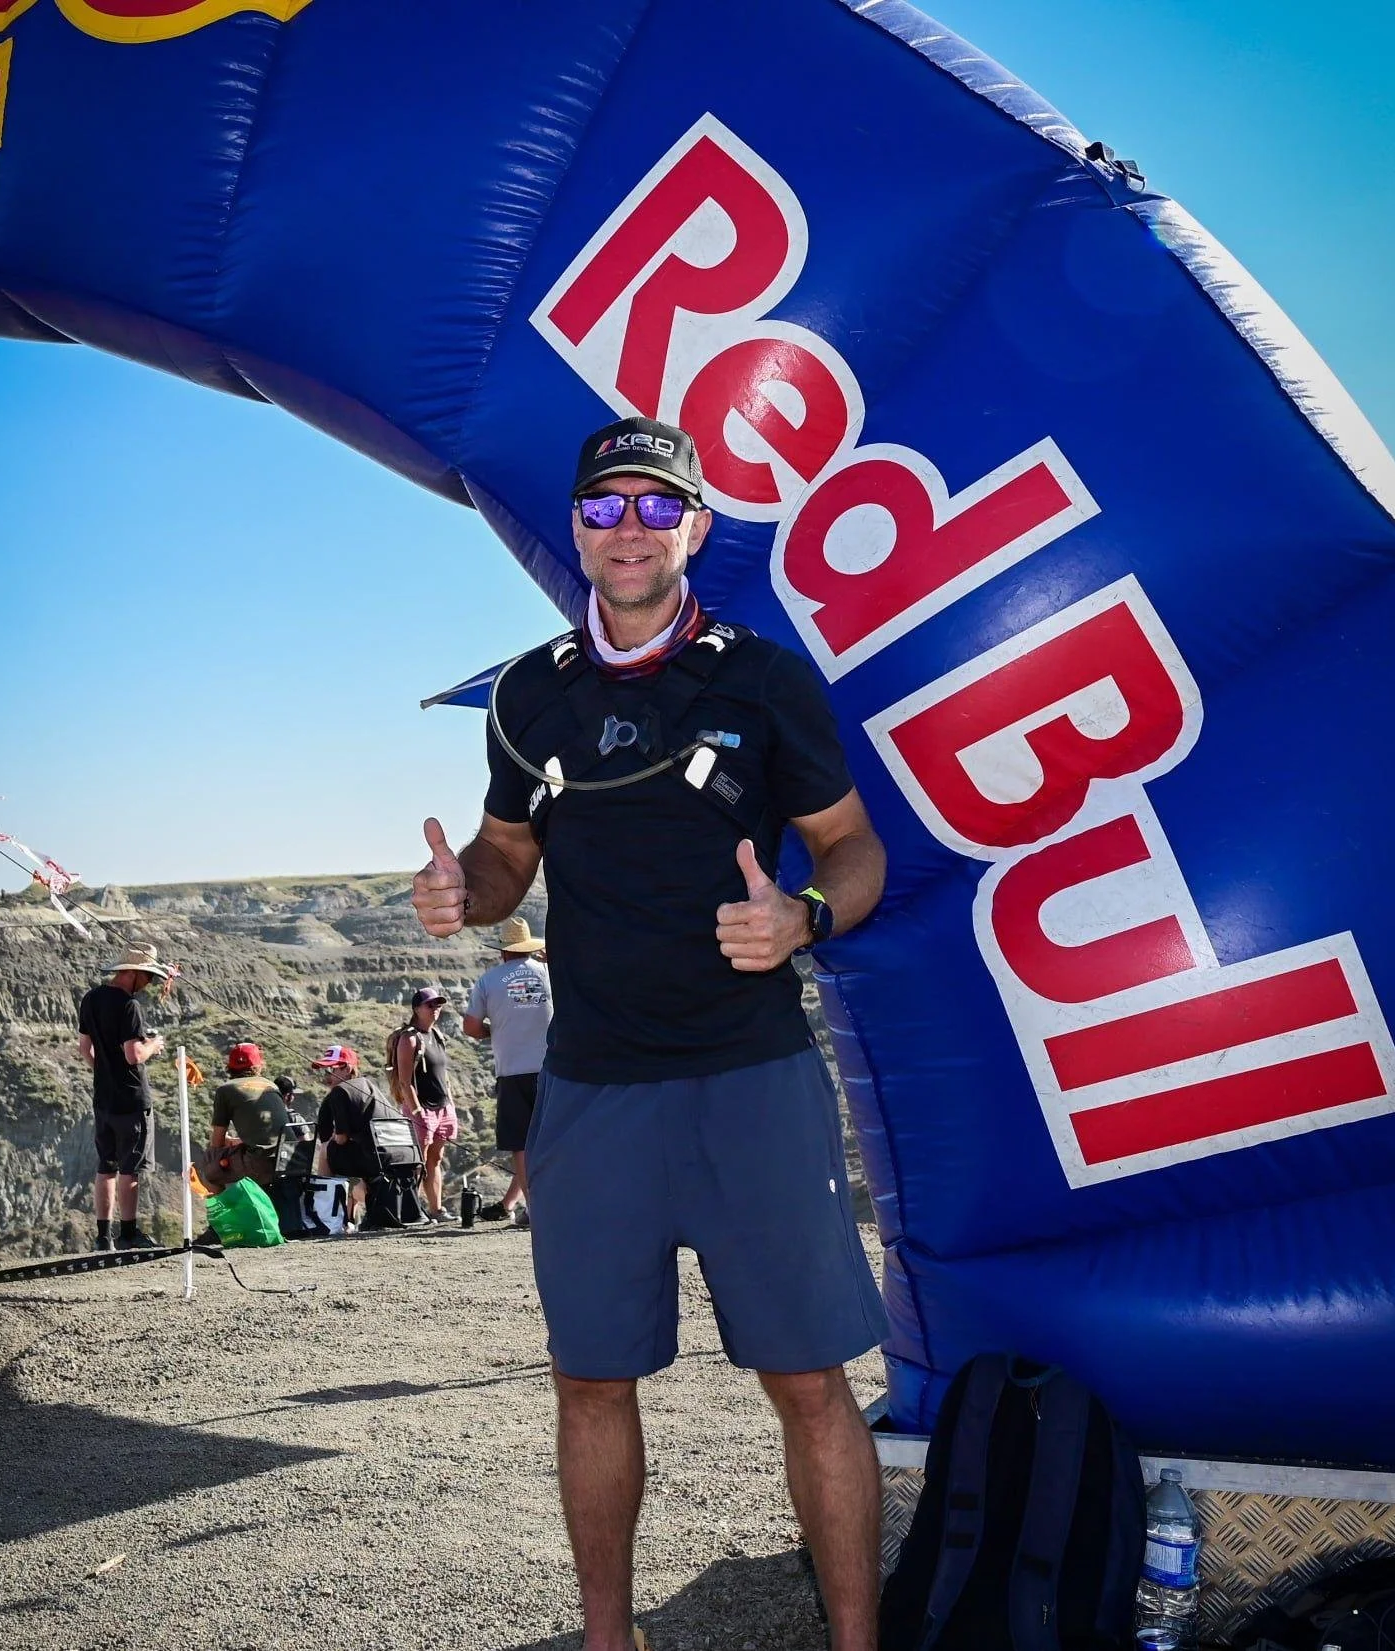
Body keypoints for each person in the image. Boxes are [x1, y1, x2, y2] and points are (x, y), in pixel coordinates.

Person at [412, 415, 890, 1651]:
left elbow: (850, 845)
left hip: (753, 1075)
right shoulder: (527, 695)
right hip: (597, 1085)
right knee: (591, 1379)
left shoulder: (764, 680)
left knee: (807, 1382)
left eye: (653, 505)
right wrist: (465, 889)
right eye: (604, 506)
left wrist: (805, 915)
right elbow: (509, 853)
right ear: (575, 525)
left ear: (696, 527)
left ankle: (856, 1640)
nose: (627, 528)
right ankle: (608, 1638)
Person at [77, 942, 169, 1253]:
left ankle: (104, 1236)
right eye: (147, 976)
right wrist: (154, 1044)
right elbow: (134, 1055)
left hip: (103, 1097)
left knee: (106, 1166)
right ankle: (129, 1233)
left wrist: (103, 1069)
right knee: (131, 1167)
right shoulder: (130, 1007)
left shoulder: (90, 999)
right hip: (131, 1099)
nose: (149, 984)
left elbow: (83, 1049)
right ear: (132, 973)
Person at [463, 916, 551, 1228]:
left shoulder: (489, 981)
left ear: (503, 951)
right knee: (556, 1137)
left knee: (522, 1144)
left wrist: (495, 1031)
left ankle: (535, 1210)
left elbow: (471, 1027)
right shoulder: (549, 974)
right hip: (553, 1069)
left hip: (513, 1071)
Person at [390, 985, 459, 1224]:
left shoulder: (437, 1035)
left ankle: (436, 1208)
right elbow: (404, 1081)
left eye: (438, 1005)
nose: (435, 1009)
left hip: (442, 1107)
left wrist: (450, 1103)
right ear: (417, 1008)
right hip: (423, 1109)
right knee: (417, 1162)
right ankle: (412, 1209)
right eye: (430, 1005)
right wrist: (417, 1111)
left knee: (435, 1159)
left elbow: (443, 1074)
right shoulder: (410, 1039)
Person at [310, 1043, 393, 1227]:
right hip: (398, 1154)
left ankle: (327, 1214)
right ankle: (349, 1213)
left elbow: (340, 1139)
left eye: (330, 1069)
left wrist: (332, 1139)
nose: (326, 1076)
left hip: (374, 1160)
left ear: (347, 1068)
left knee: (325, 1150)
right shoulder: (368, 1085)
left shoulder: (340, 1092)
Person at [198, 1042, 288, 1191]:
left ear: (230, 1066)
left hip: (259, 1162)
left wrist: (219, 1150)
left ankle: (231, 1213)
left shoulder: (225, 1090)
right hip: (289, 1158)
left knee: (209, 1171)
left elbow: (217, 1142)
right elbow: (268, 1132)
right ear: (259, 1064)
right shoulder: (271, 1086)